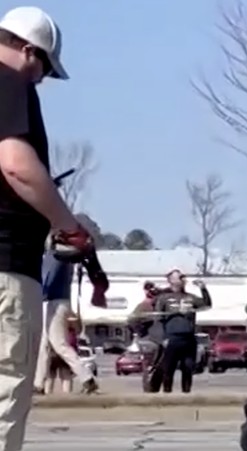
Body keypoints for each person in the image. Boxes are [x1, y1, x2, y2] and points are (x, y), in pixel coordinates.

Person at [0, 7, 88, 446]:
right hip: (6, 264)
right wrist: (65, 223)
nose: (41, 81)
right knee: (4, 386)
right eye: (44, 70)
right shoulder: (9, 80)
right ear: (29, 52)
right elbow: (16, 166)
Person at [33, 249, 99, 395]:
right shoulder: (62, 255)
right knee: (45, 344)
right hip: (57, 301)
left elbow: (48, 280)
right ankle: (38, 383)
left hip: (53, 301)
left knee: (58, 343)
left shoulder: (55, 255)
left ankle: (87, 378)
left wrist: (38, 294)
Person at [154, 270, 212, 393]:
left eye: (183, 277)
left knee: (188, 368)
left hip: (188, 338)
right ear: (171, 280)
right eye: (179, 277)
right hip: (171, 338)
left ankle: (186, 395)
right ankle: (167, 395)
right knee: (168, 369)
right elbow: (158, 320)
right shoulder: (163, 298)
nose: (182, 279)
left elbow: (207, 305)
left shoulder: (190, 297)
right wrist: (162, 338)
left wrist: (203, 288)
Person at [128, 281, 166, 392]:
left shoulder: (160, 306)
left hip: (159, 341)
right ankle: (149, 392)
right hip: (148, 340)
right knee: (150, 368)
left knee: (158, 369)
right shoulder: (144, 305)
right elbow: (131, 321)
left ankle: (153, 391)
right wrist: (141, 331)